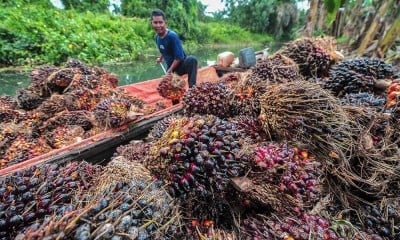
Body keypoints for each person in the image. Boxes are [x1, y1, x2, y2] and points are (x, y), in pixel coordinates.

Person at [151, 9, 198, 90]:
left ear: (165, 23)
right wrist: (161, 58)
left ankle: (192, 89)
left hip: (181, 65)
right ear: (151, 23)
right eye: (155, 22)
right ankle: (176, 102)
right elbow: (164, 49)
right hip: (171, 67)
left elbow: (179, 57)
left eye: (160, 22)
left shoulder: (172, 36)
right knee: (170, 89)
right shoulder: (157, 37)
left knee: (192, 60)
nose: (158, 25)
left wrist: (169, 72)